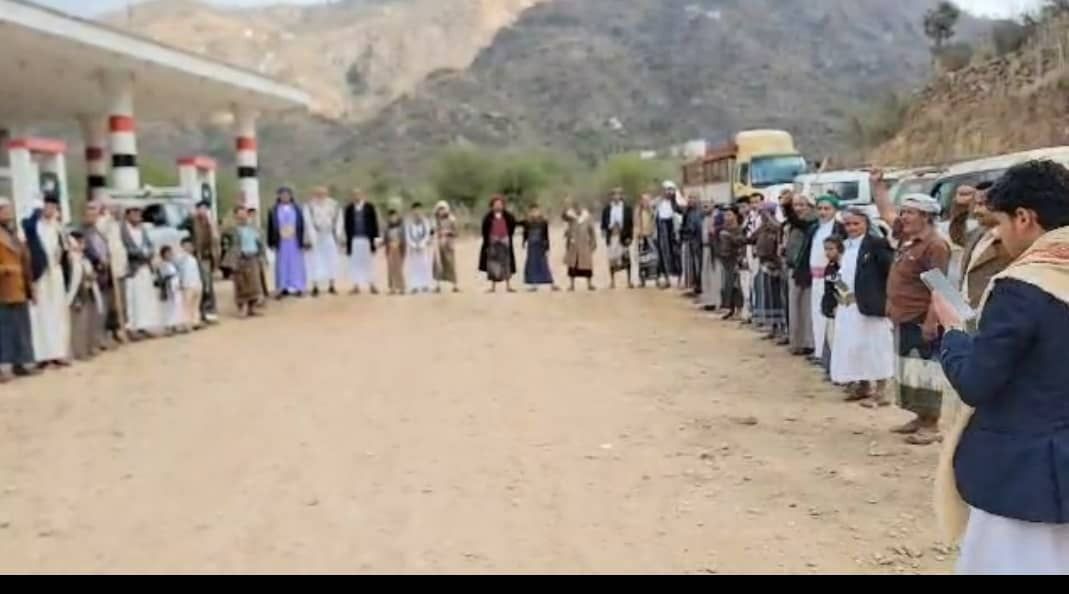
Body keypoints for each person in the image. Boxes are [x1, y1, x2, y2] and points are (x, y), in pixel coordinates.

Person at [931, 160, 1069, 574]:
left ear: (1024, 218)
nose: (997, 235)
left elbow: (977, 381)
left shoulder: (1024, 286)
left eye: (1000, 224)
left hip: (1024, 477)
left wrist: (954, 333)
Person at [874, 175, 952, 446]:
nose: (903, 217)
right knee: (910, 369)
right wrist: (877, 186)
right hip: (904, 317)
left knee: (926, 370)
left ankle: (931, 424)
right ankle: (919, 417)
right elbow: (886, 214)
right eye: (904, 211)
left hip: (921, 318)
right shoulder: (908, 240)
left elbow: (940, 288)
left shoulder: (935, 245)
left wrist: (931, 322)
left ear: (926, 217)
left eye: (910, 213)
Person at [828, 209, 895, 405]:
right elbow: (840, 273)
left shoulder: (877, 244)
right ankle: (863, 385)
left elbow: (889, 271)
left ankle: (881, 391)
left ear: (866, 224)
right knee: (853, 346)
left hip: (870, 305)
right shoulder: (844, 245)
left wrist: (885, 298)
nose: (852, 228)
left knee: (876, 346)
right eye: (848, 224)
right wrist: (841, 295)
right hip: (848, 305)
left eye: (856, 224)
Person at [787, 194, 845, 366]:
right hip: (814, 277)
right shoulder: (814, 229)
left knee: (831, 314)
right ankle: (819, 351)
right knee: (816, 314)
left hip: (832, 276)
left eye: (827, 209)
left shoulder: (839, 229)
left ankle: (833, 356)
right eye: (820, 208)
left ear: (835, 210)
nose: (823, 212)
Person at [23, 195, 71, 367]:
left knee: (57, 313)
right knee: (41, 314)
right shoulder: (33, 225)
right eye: (47, 206)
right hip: (40, 274)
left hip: (55, 273)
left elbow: (64, 250)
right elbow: (27, 231)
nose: (49, 210)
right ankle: (42, 355)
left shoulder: (58, 227)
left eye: (53, 206)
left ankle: (58, 352)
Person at [949, 182, 1014, 310]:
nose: (976, 211)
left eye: (982, 204)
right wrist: (960, 207)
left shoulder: (1013, 241)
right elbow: (957, 236)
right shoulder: (979, 233)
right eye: (975, 204)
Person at [0, 197, 38, 382]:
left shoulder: (14, 234)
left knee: (22, 327)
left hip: (20, 287)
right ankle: (4, 366)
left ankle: (23, 362)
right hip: (4, 289)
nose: (8, 213)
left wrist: (31, 286)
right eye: (4, 210)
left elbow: (24, 260)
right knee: (5, 330)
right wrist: (6, 269)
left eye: (8, 209)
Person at [782, 192, 817, 356]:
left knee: (806, 307)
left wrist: (786, 206)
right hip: (793, 268)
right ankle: (797, 341)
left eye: (802, 205)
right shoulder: (796, 223)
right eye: (796, 205)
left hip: (806, 269)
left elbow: (796, 221)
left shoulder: (811, 222)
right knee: (795, 306)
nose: (798, 209)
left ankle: (808, 342)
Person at [81, 203, 116, 351]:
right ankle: (93, 341)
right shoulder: (82, 232)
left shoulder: (98, 231)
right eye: (89, 214)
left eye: (95, 214)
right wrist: (98, 261)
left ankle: (101, 337)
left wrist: (107, 259)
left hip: (104, 274)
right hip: (92, 272)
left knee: (103, 308)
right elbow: (86, 251)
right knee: (94, 309)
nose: (92, 217)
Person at [121, 206, 160, 339]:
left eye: (138, 212)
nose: (137, 215)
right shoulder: (123, 230)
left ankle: (143, 326)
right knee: (132, 299)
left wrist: (149, 252)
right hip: (132, 269)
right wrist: (140, 253)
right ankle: (131, 327)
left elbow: (149, 244)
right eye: (134, 212)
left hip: (144, 267)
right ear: (127, 214)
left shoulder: (142, 229)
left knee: (144, 299)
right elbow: (125, 248)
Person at [65, 231, 103, 361]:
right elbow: (73, 280)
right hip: (78, 295)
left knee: (89, 323)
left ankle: (89, 347)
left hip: (89, 292)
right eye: (80, 242)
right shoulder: (71, 259)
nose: (82, 245)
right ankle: (79, 352)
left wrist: (92, 277)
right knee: (79, 325)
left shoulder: (84, 259)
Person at [222, 206, 265, 317]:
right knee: (241, 283)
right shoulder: (233, 229)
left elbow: (260, 241)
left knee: (254, 283)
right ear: (236, 216)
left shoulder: (253, 228)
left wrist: (262, 256)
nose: (243, 217)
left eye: (244, 214)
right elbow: (223, 230)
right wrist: (230, 216)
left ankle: (252, 307)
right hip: (239, 258)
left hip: (253, 257)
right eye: (240, 214)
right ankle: (242, 307)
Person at [95, 201, 129, 344]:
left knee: (121, 301)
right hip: (111, 269)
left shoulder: (118, 224)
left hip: (120, 266)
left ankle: (119, 329)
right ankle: (110, 331)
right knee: (112, 302)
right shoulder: (104, 222)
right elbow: (102, 235)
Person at [752, 202, 786, 340]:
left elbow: (778, 237)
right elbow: (751, 238)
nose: (762, 215)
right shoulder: (763, 227)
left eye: (764, 212)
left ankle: (780, 327)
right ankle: (772, 326)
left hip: (775, 266)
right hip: (764, 264)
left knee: (776, 297)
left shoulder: (777, 227)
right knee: (768, 297)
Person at [267, 187, 308, 299]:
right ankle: (282, 287)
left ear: (291, 196)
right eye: (282, 195)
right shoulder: (273, 210)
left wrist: (303, 241)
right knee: (282, 264)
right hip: (281, 241)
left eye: (287, 194)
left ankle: (297, 287)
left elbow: (302, 226)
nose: (285, 197)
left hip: (294, 241)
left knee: (296, 264)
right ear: (279, 196)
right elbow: (270, 228)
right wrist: (271, 242)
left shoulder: (297, 209)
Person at [343, 189, 381, 295]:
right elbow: (346, 226)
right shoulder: (349, 209)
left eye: (359, 194)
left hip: (367, 239)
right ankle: (356, 286)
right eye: (354, 195)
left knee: (369, 263)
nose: (357, 196)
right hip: (354, 239)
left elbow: (375, 224)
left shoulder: (370, 207)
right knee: (355, 263)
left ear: (363, 195)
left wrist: (376, 239)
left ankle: (372, 285)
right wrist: (346, 241)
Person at [305, 186, 341, 297]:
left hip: (329, 235)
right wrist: (312, 237)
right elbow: (308, 222)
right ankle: (315, 286)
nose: (321, 195)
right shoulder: (309, 206)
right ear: (315, 194)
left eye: (323, 193)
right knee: (315, 261)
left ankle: (332, 285)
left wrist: (337, 234)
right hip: (316, 235)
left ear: (327, 194)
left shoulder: (334, 204)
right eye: (318, 193)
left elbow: (339, 220)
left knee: (331, 260)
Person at [189, 200, 220, 323]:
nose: (203, 211)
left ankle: (208, 311)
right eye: (200, 208)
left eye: (205, 208)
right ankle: (197, 312)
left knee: (207, 285)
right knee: (195, 285)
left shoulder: (210, 223)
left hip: (206, 257)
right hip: (194, 257)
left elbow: (215, 241)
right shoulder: (191, 221)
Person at [479, 195, 518, 293]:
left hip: (505, 241)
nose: (498, 206)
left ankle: (508, 286)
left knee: (506, 263)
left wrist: (507, 236)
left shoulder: (508, 216)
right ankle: (493, 287)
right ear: (492, 205)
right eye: (496, 204)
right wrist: (488, 242)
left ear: (503, 205)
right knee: (493, 264)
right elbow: (484, 231)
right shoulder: (488, 217)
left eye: (500, 204)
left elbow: (512, 226)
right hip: (493, 242)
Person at [601, 188, 634, 290]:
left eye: (618, 194)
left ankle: (629, 281)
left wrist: (630, 237)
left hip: (623, 236)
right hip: (612, 236)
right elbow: (603, 224)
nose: (616, 196)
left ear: (621, 196)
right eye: (614, 194)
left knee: (626, 259)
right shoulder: (607, 209)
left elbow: (630, 224)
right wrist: (605, 232)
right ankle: (612, 281)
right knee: (612, 259)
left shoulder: (627, 208)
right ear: (611, 196)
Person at [717, 207, 745, 320]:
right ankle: (730, 309)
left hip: (735, 259)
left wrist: (730, 237)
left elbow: (741, 243)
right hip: (725, 260)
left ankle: (739, 309)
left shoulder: (739, 229)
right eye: (725, 215)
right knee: (727, 286)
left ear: (735, 216)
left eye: (729, 215)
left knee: (736, 286)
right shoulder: (723, 229)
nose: (726, 218)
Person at [522, 203, 558, 291]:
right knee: (532, 264)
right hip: (531, 246)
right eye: (532, 211)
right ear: (530, 212)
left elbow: (546, 235)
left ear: (539, 211)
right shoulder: (527, 222)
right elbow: (525, 233)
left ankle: (552, 284)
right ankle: (534, 285)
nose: (534, 213)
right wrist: (524, 242)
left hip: (541, 245)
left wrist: (547, 247)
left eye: (536, 210)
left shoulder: (543, 222)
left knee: (544, 264)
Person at [739, 194, 763, 324]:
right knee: (746, 283)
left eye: (757, 202)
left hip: (756, 251)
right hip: (747, 251)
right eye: (752, 202)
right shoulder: (748, 219)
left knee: (754, 282)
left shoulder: (762, 218)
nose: (754, 205)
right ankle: (748, 312)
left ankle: (755, 313)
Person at [564, 202, 598, 292]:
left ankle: (589, 284)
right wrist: (566, 205)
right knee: (572, 266)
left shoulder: (587, 217)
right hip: (574, 245)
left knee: (587, 266)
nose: (577, 210)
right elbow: (564, 217)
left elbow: (592, 231)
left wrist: (593, 243)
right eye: (576, 208)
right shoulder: (571, 218)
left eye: (579, 208)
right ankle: (572, 285)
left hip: (584, 244)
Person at [654, 182, 682, 288]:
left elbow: (682, 212)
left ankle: (678, 278)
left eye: (671, 190)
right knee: (663, 254)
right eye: (667, 190)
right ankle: (665, 278)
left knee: (676, 254)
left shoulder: (676, 202)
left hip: (674, 232)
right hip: (662, 231)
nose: (669, 192)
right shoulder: (658, 202)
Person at [404, 202, 434, 294]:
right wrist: (413, 244)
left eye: (419, 210)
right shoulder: (409, 222)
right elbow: (407, 235)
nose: (417, 212)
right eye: (415, 210)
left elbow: (427, 234)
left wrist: (422, 243)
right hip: (413, 248)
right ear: (412, 211)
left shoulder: (425, 221)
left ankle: (425, 285)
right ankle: (414, 286)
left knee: (424, 266)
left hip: (422, 247)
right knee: (414, 267)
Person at [698, 203, 723, 311]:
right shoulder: (704, 218)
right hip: (705, 248)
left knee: (714, 276)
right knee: (706, 275)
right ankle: (708, 300)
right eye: (704, 206)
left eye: (707, 206)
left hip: (714, 249)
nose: (705, 208)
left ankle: (716, 301)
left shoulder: (718, 217)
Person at [679, 193, 704, 296]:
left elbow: (695, 227)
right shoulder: (688, 212)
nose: (690, 200)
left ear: (698, 200)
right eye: (689, 198)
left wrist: (685, 230)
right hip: (691, 241)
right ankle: (695, 286)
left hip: (698, 241)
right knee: (693, 266)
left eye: (693, 198)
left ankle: (699, 286)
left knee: (699, 265)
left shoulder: (700, 212)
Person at [433, 201, 460, 293]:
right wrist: (436, 234)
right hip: (438, 244)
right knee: (437, 264)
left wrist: (448, 232)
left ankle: (455, 285)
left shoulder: (452, 219)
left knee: (451, 264)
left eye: (443, 209)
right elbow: (433, 231)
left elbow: (456, 233)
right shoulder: (436, 220)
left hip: (449, 245)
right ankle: (437, 285)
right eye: (439, 209)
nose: (441, 211)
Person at [177, 238, 203, 331]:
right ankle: (186, 324)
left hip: (197, 283)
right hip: (187, 284)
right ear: (182, 247)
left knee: (196, 304)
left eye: (190, 246)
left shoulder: (194, 258)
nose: (189, 247)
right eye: (186, 245)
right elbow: (179, 270)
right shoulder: (181, 257)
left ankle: (196, 322)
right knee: (187, 305)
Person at [634, 193, 659, 288]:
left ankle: (656, 279)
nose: (645, 202)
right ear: (641, 201)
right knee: (642, 260)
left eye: (647, 200)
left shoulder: (652, 211)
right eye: (644, 200)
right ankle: (642, 280)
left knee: (654, 259)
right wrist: (638, 234)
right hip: (642, 238)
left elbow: (655, 223)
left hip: (651, 237)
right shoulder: (638, 211)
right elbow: (636, 224)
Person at [157, 245, 183, 335]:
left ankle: (175, 325)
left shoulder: (173, 264)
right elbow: (163, 277)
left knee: (176, 306)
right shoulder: (162, 265)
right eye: (168, 253)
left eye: (170, 253)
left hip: (175, 287)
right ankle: (168, 327)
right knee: (169, 307)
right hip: (169, 288)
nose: (170, 255)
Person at [383, 209, 407, 296]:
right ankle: (392, 288)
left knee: (399, 269)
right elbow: (385, 239)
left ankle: (402, 287)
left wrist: (398, 243)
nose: (393, 218)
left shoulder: (401, 226)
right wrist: (387, 243)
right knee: (390, 269)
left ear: (397, 216)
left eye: (394, 216)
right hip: (390, 249)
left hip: (399, 249)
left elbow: (404, 238)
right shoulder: (387, 227)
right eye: (391, 216)